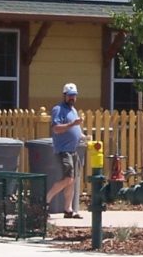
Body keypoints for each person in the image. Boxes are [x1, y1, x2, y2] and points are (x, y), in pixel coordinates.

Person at [45, 83, 84, 219]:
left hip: (74, 150)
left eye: (74, 95)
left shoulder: (73, 110)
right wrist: (73, 124)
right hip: (63, 150)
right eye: (70, 95)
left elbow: (75, 130)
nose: (72, 98)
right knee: (68, 179)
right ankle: (45, 201)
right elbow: (56, 128)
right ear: (64, 96)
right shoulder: (58, 109)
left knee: (71, 181)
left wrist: (83, 136)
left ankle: (68, 210)